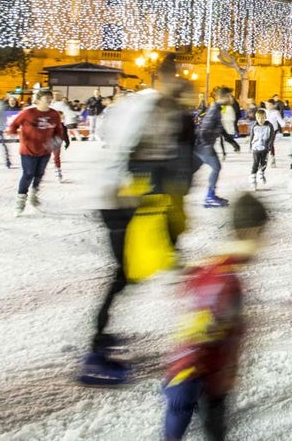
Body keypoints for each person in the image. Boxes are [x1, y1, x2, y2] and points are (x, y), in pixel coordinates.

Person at [79, 58, 196, 386]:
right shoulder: (144, 107)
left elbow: (168, 159)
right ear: (162, 79)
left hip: (141, 198)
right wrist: (122, 190)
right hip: (120, 201)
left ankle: (100, 339)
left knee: (130, 274)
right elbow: (122, 150)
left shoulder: (165, 111)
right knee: (125, 274)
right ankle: (94, 354)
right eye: (175, 80)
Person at [162, 192, 269, 441]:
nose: (264, 244)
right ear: (252, 232)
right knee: (202, 425)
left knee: (214, 425)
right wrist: (182, 377)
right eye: (262, 235)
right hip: (199, 377)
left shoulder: (219, 267)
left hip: (213, 375)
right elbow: (195, 330)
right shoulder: (225, 280)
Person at [6, 89, 67, 216]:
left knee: (39, 174)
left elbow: (59, 131)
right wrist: (12, 134)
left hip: (45, 150)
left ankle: (33, 195)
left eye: (50, 98)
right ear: (38, 100)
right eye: (46, 98)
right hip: (28, 149)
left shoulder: (54, 114)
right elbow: (14, 125)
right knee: (28, 174)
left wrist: (55, 143)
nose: (49, 100)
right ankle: (20, 200)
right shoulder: (28, 113)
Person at [194, 89, 232, 208]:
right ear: (222, 97)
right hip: (203, 146)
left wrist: (231, 141)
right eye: (229, 96)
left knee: (191, 169)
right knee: (216, 167)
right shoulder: (214, 110)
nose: (231, 99)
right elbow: (204, 129)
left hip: (201, 145)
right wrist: (206, 145)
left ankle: (210, 195)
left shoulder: (216, 109)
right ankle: (210, 197)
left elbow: (220, 128)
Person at [247, 108, 275, 188]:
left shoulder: (269, 126)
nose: (260, 120)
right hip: (256, 148)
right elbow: (251, 136)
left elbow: (272, 137)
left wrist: (269, 146)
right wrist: (250, 146)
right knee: (255, 163)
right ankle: (253, 178)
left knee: (264, 163)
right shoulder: (254, 126)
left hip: (265, 148)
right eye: (259, 118)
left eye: (262, 118)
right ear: (256, 118)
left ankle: (261, 173)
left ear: (265, 117)